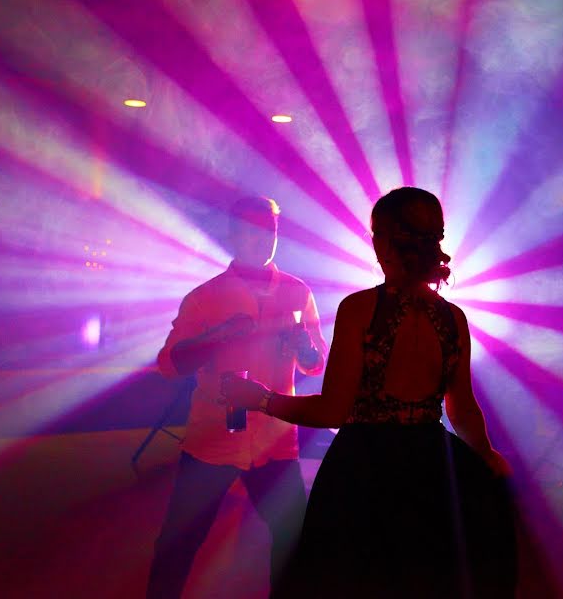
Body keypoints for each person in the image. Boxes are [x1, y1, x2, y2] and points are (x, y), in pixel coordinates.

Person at [222, 187, 517, 598]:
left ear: (387, 241)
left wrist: (262, 400)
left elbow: (332, 412)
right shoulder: (453, 318)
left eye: (376, 232)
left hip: (365, 468)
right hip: (433, 465)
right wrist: (485, 455)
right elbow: (462, 407)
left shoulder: (360, 309)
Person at [147, 196, 327, 598]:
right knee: (178, 543)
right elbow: (169, 365)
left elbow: (315, 364)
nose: (261, 240)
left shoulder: (298, 293)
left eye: (270, 232)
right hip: (213, 437)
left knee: (292, 540)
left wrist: (305, 348)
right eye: (251, 230)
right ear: (232, 234)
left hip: (275, 437)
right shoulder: (205, 297)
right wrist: (214, 338)